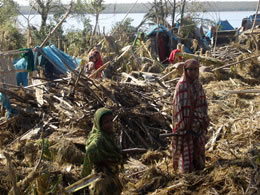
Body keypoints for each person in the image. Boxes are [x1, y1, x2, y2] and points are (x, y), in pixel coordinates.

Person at [171, 59, 209, 174]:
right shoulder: (181, 86)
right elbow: (178, 108)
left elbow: (203, 104)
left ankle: (199, 171)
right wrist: (184, 126)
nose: (193, 72)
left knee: (198, 149)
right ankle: (188, 175)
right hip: (185, 127)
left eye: (195, 69)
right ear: (185, 70)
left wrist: (203, 119)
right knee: (187, 151)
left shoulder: (198, 85)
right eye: (190, 70)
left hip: (198, 125)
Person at [81, 107, 123, 195]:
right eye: (106, 122)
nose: (110, 124)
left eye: (111, 120)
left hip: (111, 174)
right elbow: (90, 150)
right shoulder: (99, 139)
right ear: (99, 123)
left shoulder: (108, 136)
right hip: (102, 179)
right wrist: (85, 175)